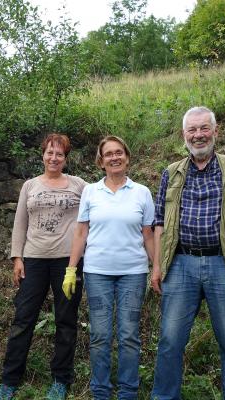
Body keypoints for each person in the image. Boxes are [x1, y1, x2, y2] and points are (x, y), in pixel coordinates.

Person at [150, 106, 225, 400]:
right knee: (169, 342)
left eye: (204, 128)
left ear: (216, 132)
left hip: (223, 265)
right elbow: (159, 222)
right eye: (192, 130)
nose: (198, 135)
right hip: (180, 264)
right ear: (183, 135)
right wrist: (156, 266)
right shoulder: (172, 173)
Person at [0, 133, 87, 400]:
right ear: (43, 155)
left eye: (59, 154)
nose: (54, 158)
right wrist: (17, 258)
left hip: (68, 262)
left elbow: (90, 219)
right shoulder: (30, 185)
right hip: (33, 260)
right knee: (23, 319)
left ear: (65, 158)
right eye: (50, 152)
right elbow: (20, 224)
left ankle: (61, 380)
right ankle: (9, 380)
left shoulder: (80, 185)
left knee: (66, 320)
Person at [63, 136, 155, 400]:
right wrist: (72, 269)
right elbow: (81, 232)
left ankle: (128, 392)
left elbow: (148, 234)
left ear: (126, 157)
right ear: (101, 161)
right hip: (97, 273)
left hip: (133, 273)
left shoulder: (142, 192)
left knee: (128, 335)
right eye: (108, 154)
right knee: (101, 335)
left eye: (119, 153)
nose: (114, 158)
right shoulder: (91, 191)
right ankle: (100, 392)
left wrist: (156, 266)